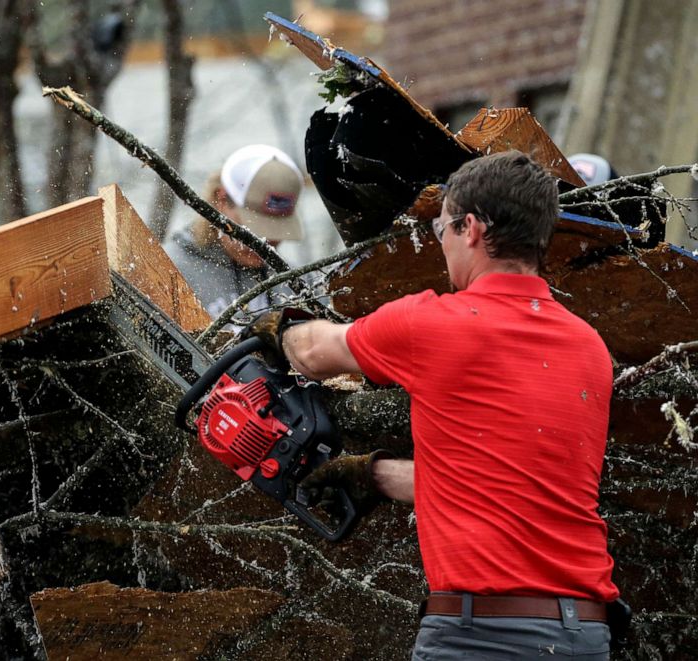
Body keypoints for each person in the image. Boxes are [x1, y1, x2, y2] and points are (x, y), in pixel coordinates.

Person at [253, 151, 621, 659]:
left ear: (470, 228)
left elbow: (315, 354)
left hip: (481, 634)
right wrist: (374, 476)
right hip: (581, 633)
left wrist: (279, 328)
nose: (441, 243)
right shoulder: (589, 348)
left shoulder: (435, 324)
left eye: (442, 228)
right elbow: (508, 486)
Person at [164, 144, 304, 319]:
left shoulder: (299, 283)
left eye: (277, 230)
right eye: (256, 229)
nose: (266, 242)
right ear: (221, 200)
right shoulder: (169, 272)